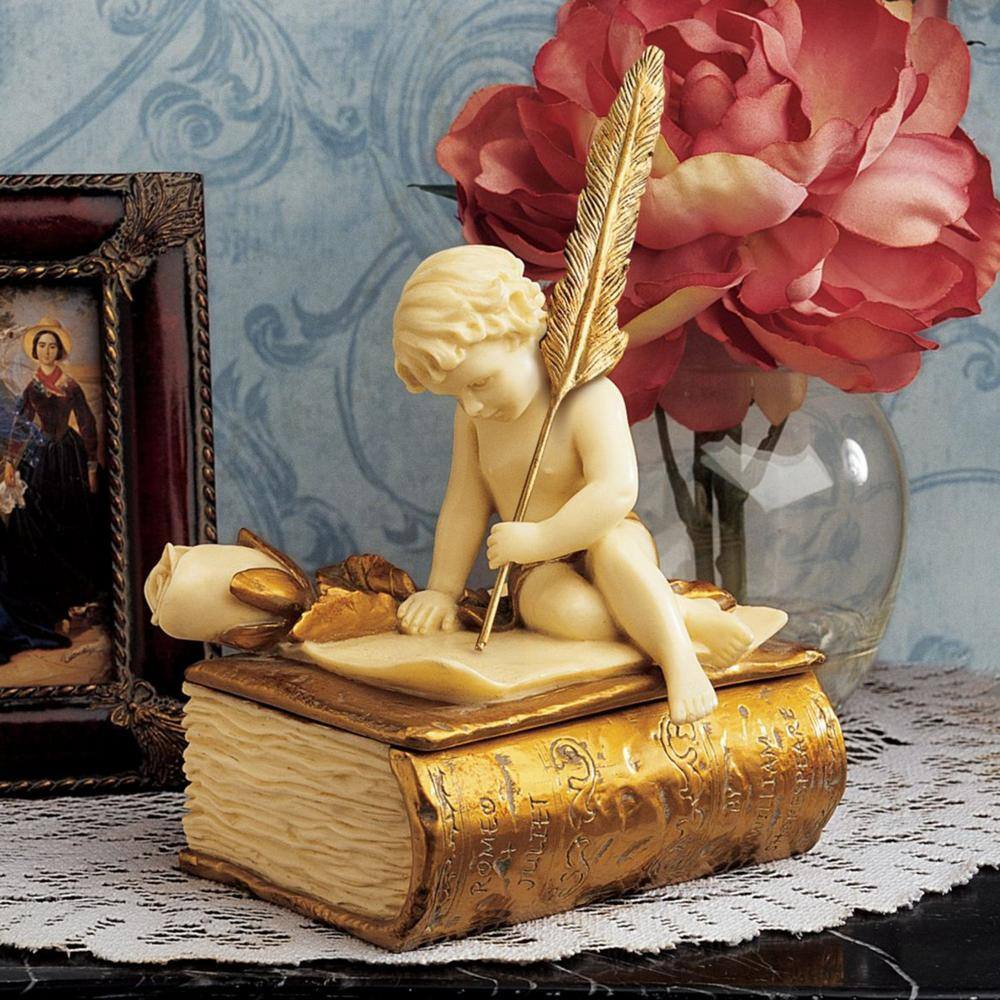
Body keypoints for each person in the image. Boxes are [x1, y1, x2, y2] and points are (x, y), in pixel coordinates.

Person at [391, 246, 755, 724]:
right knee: (575, 616)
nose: (472, 405)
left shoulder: (589, 398)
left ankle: (679, 660)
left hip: (604, 530)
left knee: (615, 554)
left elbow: (614, 491)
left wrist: (544, 535)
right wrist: (443, 589)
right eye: (456, 395)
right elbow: (464, 503)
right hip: (535, 566)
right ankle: (682, 614)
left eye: (479, 383)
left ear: (521, 331)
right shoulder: (473, 418)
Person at [0, 317, 104, 660]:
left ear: (59, 351)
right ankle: (47, 603)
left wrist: (91, 465)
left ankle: (75, 601)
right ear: (35, 350)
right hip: (40, 459)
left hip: (69, 458)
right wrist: (11, 463)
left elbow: (87, 422)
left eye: (52, 346)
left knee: (69, 524)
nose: (47, 351)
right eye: (42, 345)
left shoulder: (70, 385)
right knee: (36, 524)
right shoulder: (31, 388)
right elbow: (20, 426)